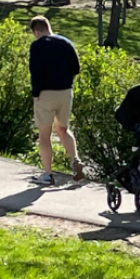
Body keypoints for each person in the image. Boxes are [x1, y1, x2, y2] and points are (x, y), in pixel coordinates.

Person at [28, 16, 84, 184]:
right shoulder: (66, 43)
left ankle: (47, 175)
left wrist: (36, 93)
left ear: (37, 31)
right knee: (63, 129)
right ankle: (75, 159)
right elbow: (76, 68)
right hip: (66, 92)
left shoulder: (37, 46)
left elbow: (35, 71)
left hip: (45, 93)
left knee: (44, 136)